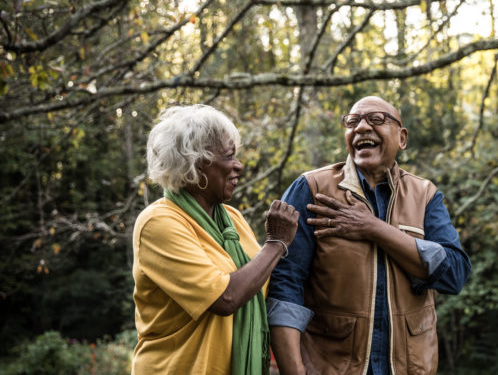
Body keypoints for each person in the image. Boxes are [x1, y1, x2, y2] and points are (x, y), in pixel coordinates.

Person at [267, 96, 472, 375]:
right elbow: (286, 286)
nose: (362, 127)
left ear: (402, 138)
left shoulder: (425, 196)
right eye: (352, 122)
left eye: (376, 119)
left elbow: (454, 274)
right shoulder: (312, 189)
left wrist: (373, 228)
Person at [131, 104, 299, 375]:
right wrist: (277, 243)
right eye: (229, 156)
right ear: (194, 164)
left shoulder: (232, 220)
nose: (238, 166)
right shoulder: (158, 223)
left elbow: (265, 283)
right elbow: (225, 298)